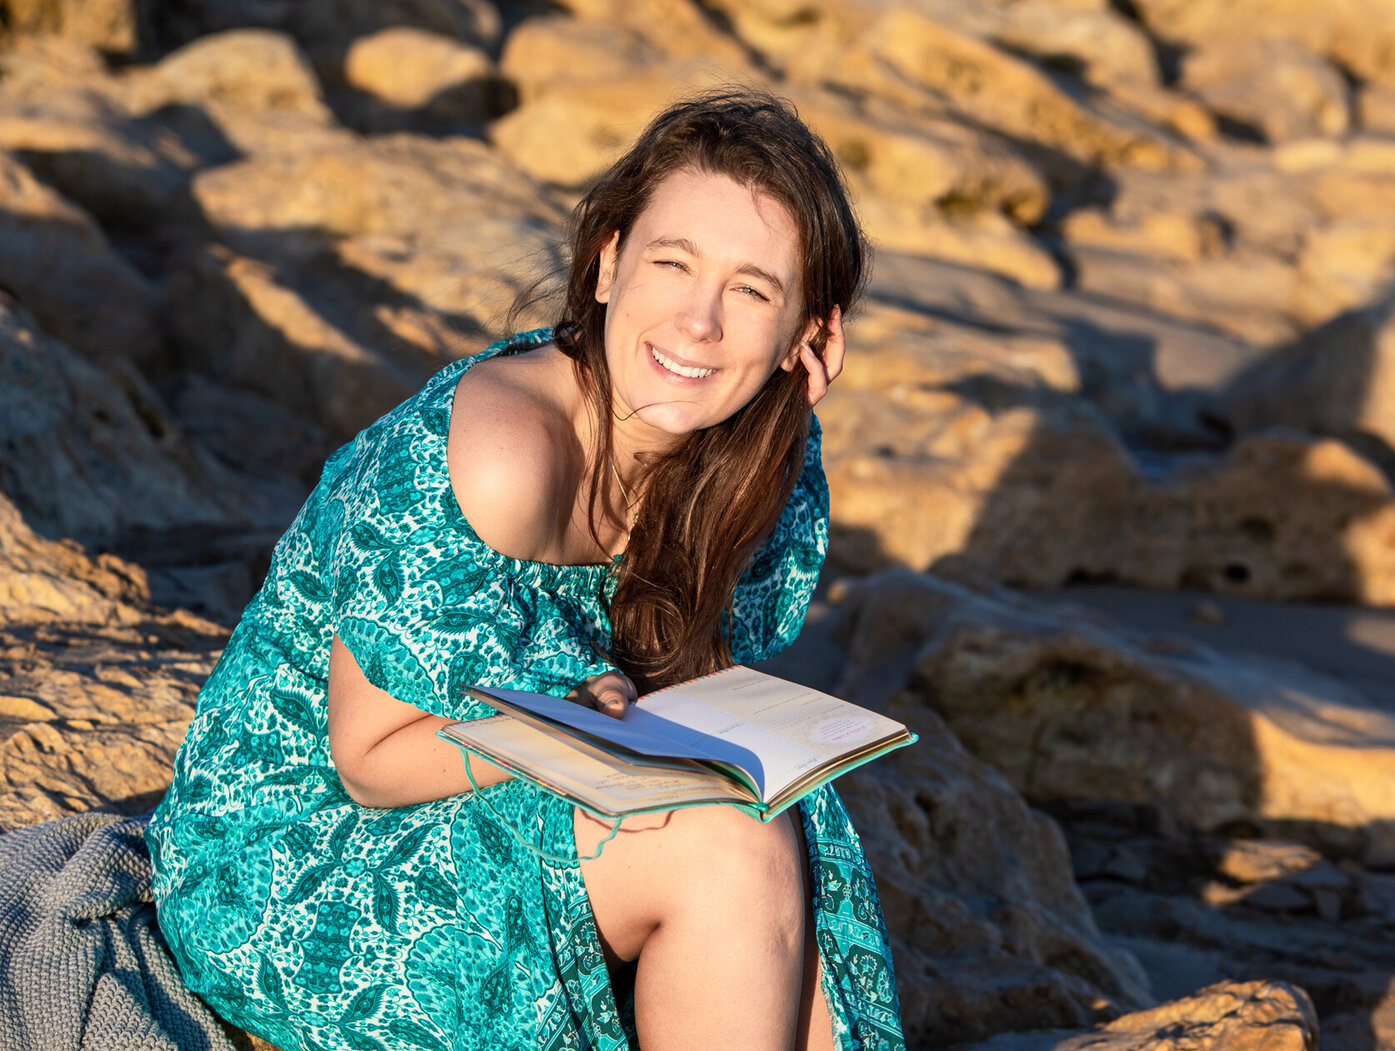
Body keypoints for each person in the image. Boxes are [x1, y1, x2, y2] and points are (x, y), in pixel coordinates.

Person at [148, 90, 905, 1051]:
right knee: (727, 843)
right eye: (673, 263)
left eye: (754, 291)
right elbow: (368, 761)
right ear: (606, 264)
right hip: (304, 862)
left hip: (545, 789)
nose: (701, 322)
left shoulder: (745, 451)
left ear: (807, 333)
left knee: (785, 818)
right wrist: (561, 733)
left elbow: (687, 676)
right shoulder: (502, 454)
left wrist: (779, 428)